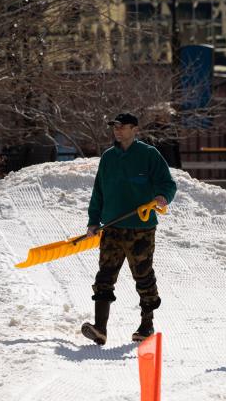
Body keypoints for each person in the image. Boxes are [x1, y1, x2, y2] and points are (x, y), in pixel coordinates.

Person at [81, 112, 177, 346]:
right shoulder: (108, 158)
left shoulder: (148, 155)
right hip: (112, 228)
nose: (117, 130)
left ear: (135, 129)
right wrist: (94, 221)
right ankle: (100, 328)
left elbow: (168, 183)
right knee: (104, 276)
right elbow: (99, 192)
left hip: (141, 229)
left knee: (143, 276)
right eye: (115, 126)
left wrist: (162, 197)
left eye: (122, 126)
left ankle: (147, 324)